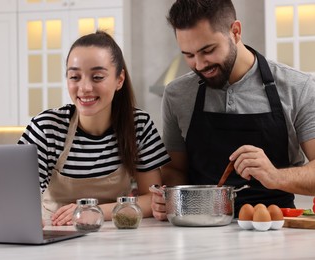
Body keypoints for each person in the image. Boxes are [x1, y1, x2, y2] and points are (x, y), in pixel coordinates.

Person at [151, 0, 315, 220]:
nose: (199, 65)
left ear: (235, 31)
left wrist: (275, 176)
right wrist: (169, 197)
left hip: (275, 228)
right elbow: (175, 170)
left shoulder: (298, 87)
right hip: (199, 228)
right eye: (188, 55)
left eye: (207, 50)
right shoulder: (176, 95)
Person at [19, 31, 170, 226]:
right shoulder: (47, 128)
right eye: (75, 77)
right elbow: (17, 196)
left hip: (116, 236)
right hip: (56, 234)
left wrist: (92, 211)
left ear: (119, 80)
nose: (84, 88)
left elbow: (153, 199)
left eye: (97, 77)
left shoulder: (138, 125)